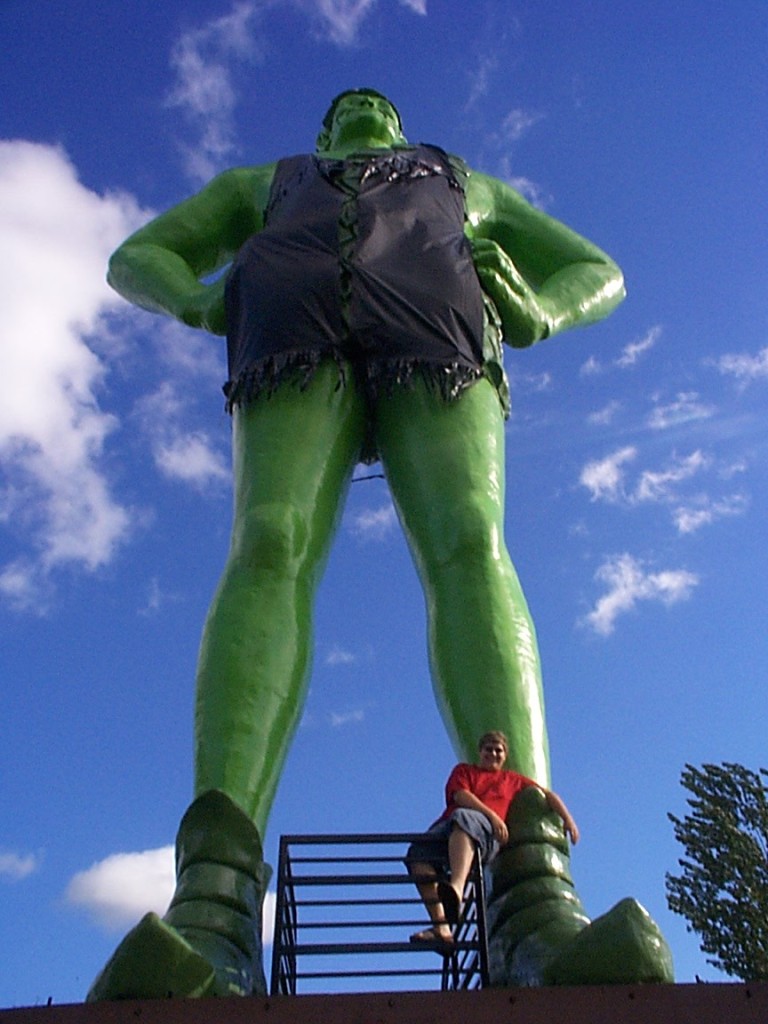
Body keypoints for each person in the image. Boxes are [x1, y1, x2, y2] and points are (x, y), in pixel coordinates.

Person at [88, 89, 670, 999]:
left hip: (442, 329)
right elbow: (138, 256)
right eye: (344, 102)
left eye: (381, 100)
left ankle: (533, 899)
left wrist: (541, 309)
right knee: (268, 543)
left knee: (470, 544)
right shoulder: (264, 184)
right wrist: (204, 303)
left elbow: (598, 268)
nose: (365, 102)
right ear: (321, 133)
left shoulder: (466, 182)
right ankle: (214, 901)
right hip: (288, 328)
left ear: (400, 128)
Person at [407, 731, 578, 952]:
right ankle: (441, 927)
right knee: (417, 855)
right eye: (489, 749)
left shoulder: (513, 780)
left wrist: (568, 818)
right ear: (480, 752)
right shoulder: (464, 771)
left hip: (484, 833)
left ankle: (457, 889)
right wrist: (492, 815)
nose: (493, 753)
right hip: (453, 825)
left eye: (498, 750)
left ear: (505, 755)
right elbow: (460, 796)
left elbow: (546, 794)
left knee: (464, 819)